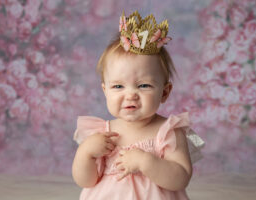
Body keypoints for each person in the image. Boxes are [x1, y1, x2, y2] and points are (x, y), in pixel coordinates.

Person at [72, 10, 205, 200]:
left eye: (144, 85)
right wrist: (85, 153)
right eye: (118, 86)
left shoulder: (168, 132)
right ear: (105, 91)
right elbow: (86, 181)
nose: (131, 95)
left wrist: (146, 162)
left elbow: (181, 178)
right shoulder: (102, 134)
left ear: (164, 92)